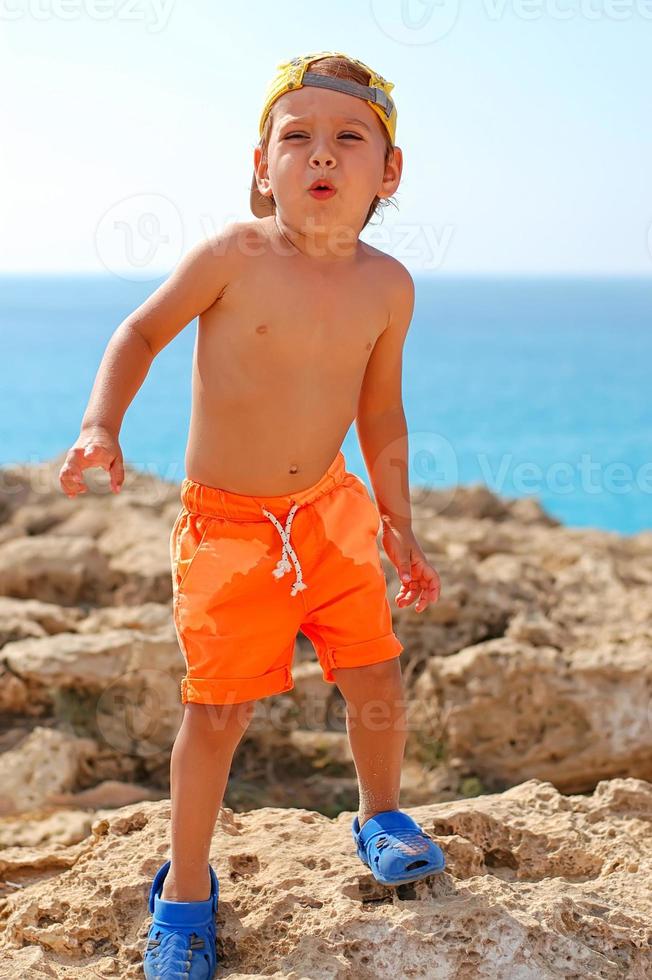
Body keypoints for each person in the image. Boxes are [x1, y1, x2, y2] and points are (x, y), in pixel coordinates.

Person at [59, 50, 445, 980]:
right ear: (261, 166)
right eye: (297, 136)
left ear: (388, 172)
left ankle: (380, 813)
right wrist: (99, 426)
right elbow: (140, 332)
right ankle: (185, 893)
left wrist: (397, 523)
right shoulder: (232, 255)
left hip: (330, 510)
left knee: (375, 673)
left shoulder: (388, 285)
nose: (322, 154)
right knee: (218, 713)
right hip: (230, 532)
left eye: (349, 137)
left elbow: (379, 410)